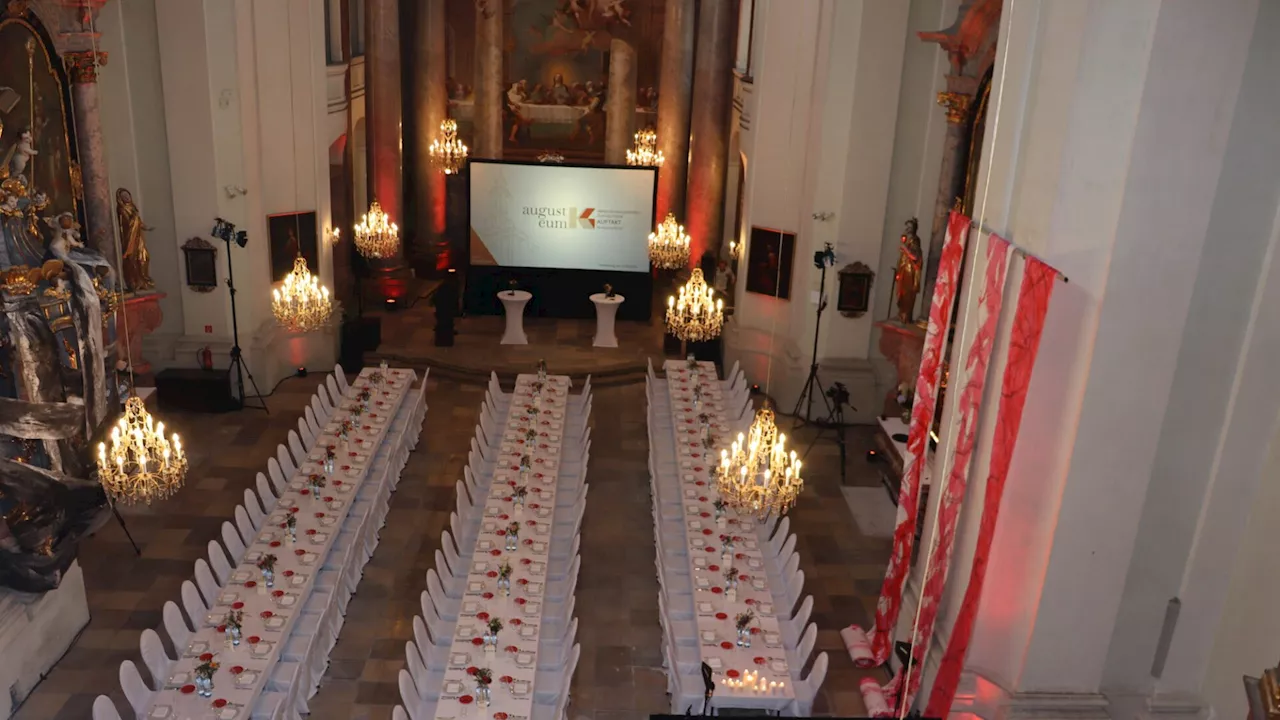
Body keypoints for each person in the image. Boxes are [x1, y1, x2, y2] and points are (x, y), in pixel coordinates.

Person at [116, 188, 155, 291]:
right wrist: (135, 219)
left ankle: (144, 279)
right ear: (121, 199)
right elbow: (128, 224)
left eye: (127, 195)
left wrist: (146, 227)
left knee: (145, 257)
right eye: (124, 196)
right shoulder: (122, 209)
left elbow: (139, 222)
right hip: (130, 239)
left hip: (138, 238)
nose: (127, 197)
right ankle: (136, 281)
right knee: (134, 259)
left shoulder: (133, 208)